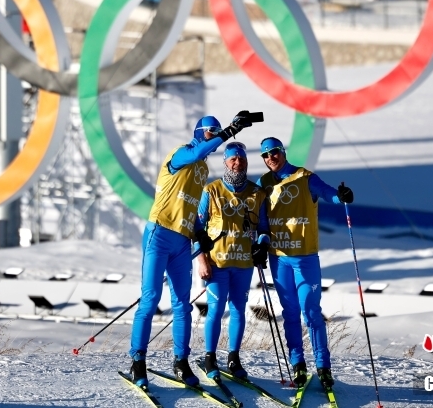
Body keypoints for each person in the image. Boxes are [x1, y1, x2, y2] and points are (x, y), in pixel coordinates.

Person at [129, 113, 253, 389]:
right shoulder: (182, 154)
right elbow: (199, 150)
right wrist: (230, 131)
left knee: (182, 305)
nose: (214, 134)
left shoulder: (203, 171)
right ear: (199, 131)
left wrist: (200, 236)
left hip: (182, 241)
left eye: (217, 131)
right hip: (159, 233)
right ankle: (138, 360)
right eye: (210, 130)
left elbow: (193, 209)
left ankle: (181, 361)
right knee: (150, 300)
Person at [257, 136, 353, 390]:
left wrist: (341, 196)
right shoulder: (263, 183)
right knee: (289, 313)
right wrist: (262, 239)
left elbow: (328, 193)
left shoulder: (304, 177)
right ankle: (298, 364)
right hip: (278, 259)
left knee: (311, 312)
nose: (271, 158)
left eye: (274, 152)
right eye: (265, 155)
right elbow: (262, 219)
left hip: (305, 258)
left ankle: (323, 367)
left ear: (283, 152)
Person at [194, 141, 268, 381]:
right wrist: (201, 259)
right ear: (225, 162)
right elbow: (198, 228)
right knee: (215, 310)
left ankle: (234, 358)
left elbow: (264, 228)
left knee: (238, 310)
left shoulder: (257, 193)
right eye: (233, 159)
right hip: (217, 263)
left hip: (244, 264)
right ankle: (210, 357)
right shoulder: (211, 190)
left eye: (242, 159)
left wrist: (262, 246)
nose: (238, 163)